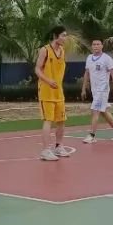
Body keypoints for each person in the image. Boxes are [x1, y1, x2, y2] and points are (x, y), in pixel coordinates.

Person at [36, 26, 70, 161]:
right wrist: (48, 80)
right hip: (46, 91)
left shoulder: (62, 51)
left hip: (58, 92)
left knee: (61, 120)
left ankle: (59, 146)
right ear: (56, 36)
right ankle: (45, 150)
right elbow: (37, 69)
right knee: (48, 120)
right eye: (63, 35)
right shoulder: (45, 50)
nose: (65, 38)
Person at [81, 38, 113, 143]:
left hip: (103, 89)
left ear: (102, 46)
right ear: (92, 46)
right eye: (94, 44)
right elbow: (86, 73)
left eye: (98, 44)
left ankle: (91, 135)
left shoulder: (107, 59)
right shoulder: (89, 58)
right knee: (103, 111)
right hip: (94, 90)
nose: (96, 46)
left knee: (95, 110)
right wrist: (83, 88)